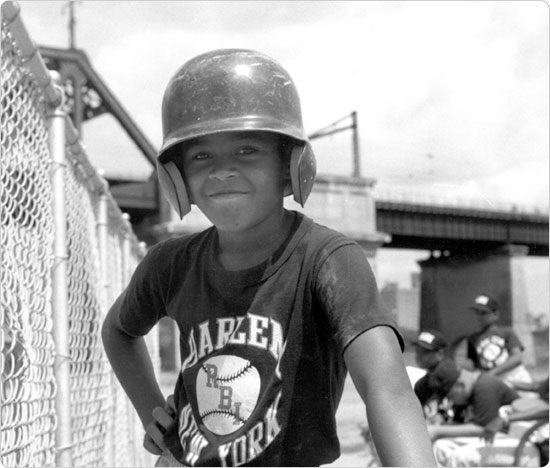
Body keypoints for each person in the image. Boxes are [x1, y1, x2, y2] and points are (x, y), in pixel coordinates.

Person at [101, 48, 436, 467]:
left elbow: (387, 387)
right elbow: (118, 331)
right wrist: (153, 413)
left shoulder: (328, 260)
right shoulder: (171, 263)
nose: (222, 171)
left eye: (246, 150)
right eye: (201, 156)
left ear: (288, 165)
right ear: (179, 176)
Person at [426, 360, 542, 466]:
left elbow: (483, 428)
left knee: (460, 456)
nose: (451, 400)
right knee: (441, 447)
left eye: (451, 396)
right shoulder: (468, 390)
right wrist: (440, 426)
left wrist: (438, 431)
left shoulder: (485, 385)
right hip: (498, 437)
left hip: (518, 439)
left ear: (460, 384)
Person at [466, 294, 532, 386]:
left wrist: (492, 373)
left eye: (483, 313)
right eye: (477, 312)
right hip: (494, 382)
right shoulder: (473, 339)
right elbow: (474, 365)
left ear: (495, 314)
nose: (479, 317)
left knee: (528, 399)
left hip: (515, 376)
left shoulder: (507, 332)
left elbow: (517, 358)